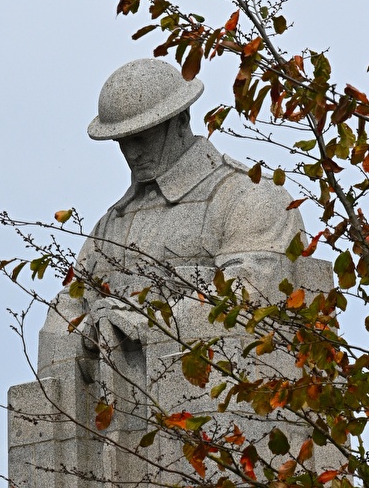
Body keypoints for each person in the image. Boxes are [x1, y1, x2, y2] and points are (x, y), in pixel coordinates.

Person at [30, 59, 332, 486]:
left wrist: (155, 323)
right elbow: (65, 312)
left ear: (181, 120)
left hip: (227, 443)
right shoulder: (110, 228)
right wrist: (85, 332)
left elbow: (254, 297)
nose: (132, 151)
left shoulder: (248, 196)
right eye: (122, 140)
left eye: (142, 136)